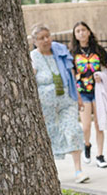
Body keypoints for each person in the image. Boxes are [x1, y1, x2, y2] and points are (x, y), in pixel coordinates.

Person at [29, 24, 87, 184]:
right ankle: (50, 173)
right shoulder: (33, 57)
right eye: (41, 38)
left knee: (74, 129)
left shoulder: (60, 52)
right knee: (49, 135)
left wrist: (79, 97)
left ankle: (78, 170)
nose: (46, 40)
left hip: (66, 100)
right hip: (45, 106)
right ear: (35, 41)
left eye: (48, 36)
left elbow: (71, 74)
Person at [70, 21, 107, 168]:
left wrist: (102, 77)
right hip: (82, 92)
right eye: (78, 31)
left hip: (98, 91)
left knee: (99, 125)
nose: (81, 33)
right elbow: (72, 74)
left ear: (88, 32)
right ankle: (87, 145)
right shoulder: (73, 53)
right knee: (86, 126)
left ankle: (100, 155)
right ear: (75, 35)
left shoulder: (98, 50)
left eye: (83, 30)